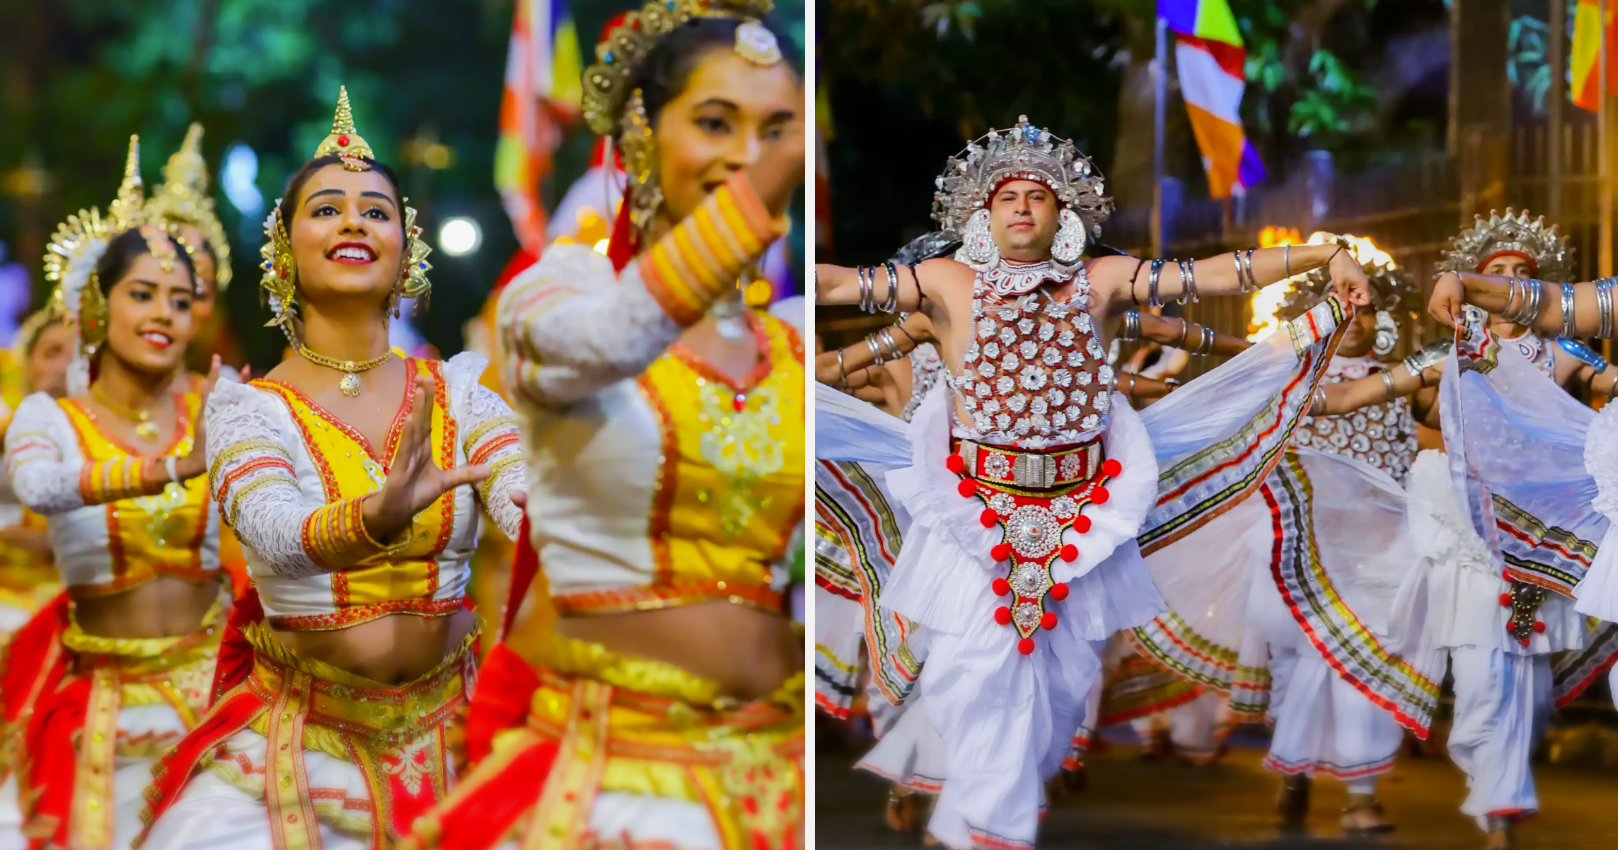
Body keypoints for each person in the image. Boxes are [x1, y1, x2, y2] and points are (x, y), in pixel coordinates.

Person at [814, 114, 1371, 849]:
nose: (1020, 206)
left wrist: (1328, 253)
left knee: (1055, 699)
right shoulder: (944, 282)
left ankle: (975, 826)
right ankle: (985, 835)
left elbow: (1214, 276)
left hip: (1080, 519)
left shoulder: (1106, 280)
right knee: (973, 679)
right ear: (983, 213)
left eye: (1036, 196)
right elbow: (837, 284)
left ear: (1062, 213)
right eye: (1006, 195)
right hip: (973, 515)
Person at [397, 5, 805, 849]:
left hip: (779, 786)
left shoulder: (794, 344)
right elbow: (606, 341)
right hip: (609, 781)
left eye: (776, 130)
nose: (747, 155)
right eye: (716, 122)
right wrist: (759, 196)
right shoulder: (557, 292)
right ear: (643, 137)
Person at [138, 88, 527, 850]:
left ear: (406, 251)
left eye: (376, 211)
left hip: (462, 746)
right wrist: (376, 517)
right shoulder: (249, 410)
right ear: (284, 250)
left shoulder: (461, 392)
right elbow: (276, 531)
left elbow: (522, 496)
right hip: (302, 753)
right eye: (326, 208)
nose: (353, 220)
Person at [0, 136, 223, 850]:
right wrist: (164, 470)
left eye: (180, 300)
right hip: (103, 700)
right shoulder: (50, 417)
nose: (163, 313)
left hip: (220, 701)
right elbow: (38, 485)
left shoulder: (224, 407)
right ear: (99, 306)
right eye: (142, 294)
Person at [1422, 210, 1618, 849]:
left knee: (1529, 696)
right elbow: (1395, 407)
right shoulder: (1446, 353)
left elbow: (1606, 384)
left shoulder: (1561, 352)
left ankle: (1502, 795)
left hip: (1548, 537)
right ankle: (1499, 806)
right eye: (1494, 274)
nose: (1505, 284)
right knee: (1482, 681)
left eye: (1518, 276)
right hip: (1477, 540)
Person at [147, 123, 241, 379]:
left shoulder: (227, 396)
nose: (167, 311)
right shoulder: (74, 382)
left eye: (197, 293)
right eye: (146, 292)